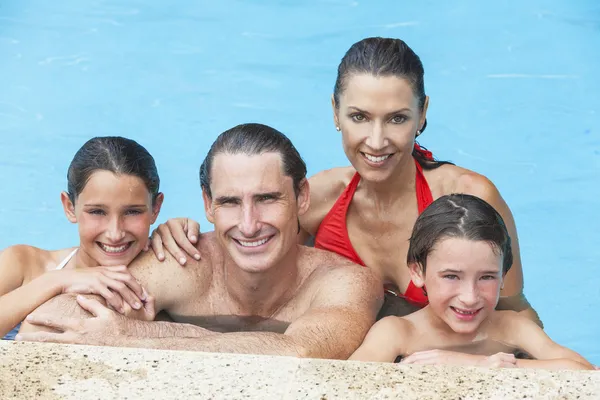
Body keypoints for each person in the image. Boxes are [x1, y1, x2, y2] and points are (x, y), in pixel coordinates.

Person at [148, 37, 540, 323]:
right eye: (359, 117)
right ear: (335, 112)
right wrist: (179, 232)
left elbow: (514, 311)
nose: (376, 140)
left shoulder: (469, 198)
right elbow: (249, 241)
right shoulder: (316, 199)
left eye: (397, 118)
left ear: (423, 115)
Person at [17, 123, 383, 360]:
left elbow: (301, 352)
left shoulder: (346, 282)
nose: (249, 225)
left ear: (302, 196)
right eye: (229, 202)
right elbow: (44, 323)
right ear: (207, 204)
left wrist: (131, 333)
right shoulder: (184, 262)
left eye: (267, 199)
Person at [349, 194, 593, 370]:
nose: (469, 297)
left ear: (503, 277)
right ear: (417, 272)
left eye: (486, 277)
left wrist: (477, 364)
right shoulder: (398, 333)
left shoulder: (510, 327)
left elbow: (584, 372)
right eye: (451, 276)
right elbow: (345, 381)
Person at [0, 136, 163, 339]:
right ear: (70, 207)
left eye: (132, 212)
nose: (115, 233)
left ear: (156, 208)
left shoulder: (162, 280)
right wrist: (57, 281)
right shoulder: (25, 265)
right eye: (97, 212)